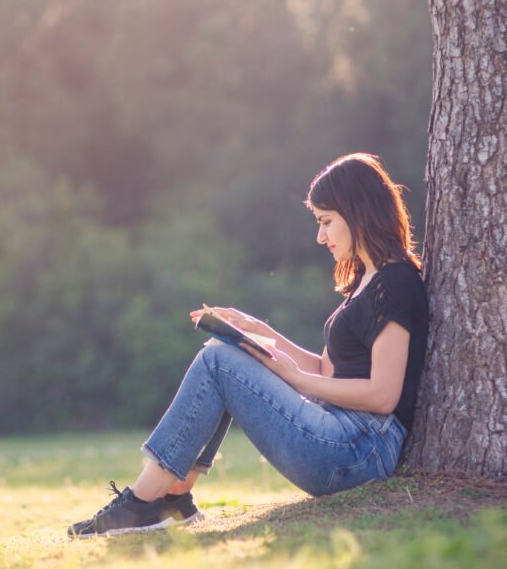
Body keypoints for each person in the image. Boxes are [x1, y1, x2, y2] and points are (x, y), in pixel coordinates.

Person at [68, 152, 429, 538]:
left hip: (361, 450)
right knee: (224, 353)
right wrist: (258, 331)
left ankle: (143, 504)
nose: (320, 237)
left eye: (326, 222)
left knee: (218, 362)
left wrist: (295, 380)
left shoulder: (396, 283)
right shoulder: (364, 282)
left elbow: (383, 395)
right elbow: (326, 370)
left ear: (358, 212)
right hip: (342, 436)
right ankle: (172, 497)